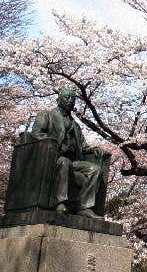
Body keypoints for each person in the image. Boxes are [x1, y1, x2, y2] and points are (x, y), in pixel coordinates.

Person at [32, 87, 107, 217]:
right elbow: (37, 134)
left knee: (95, 169)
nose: (70, 101)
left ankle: (84, 207)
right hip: (52, 157)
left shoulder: (75, 125)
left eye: (73, 99)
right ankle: (59, 202)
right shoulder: (47, 115)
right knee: (64, 163)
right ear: (58, 99)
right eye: (67, 98)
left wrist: (94, 149)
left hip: (74, 161)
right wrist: (56, 145)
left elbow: (83, 147)